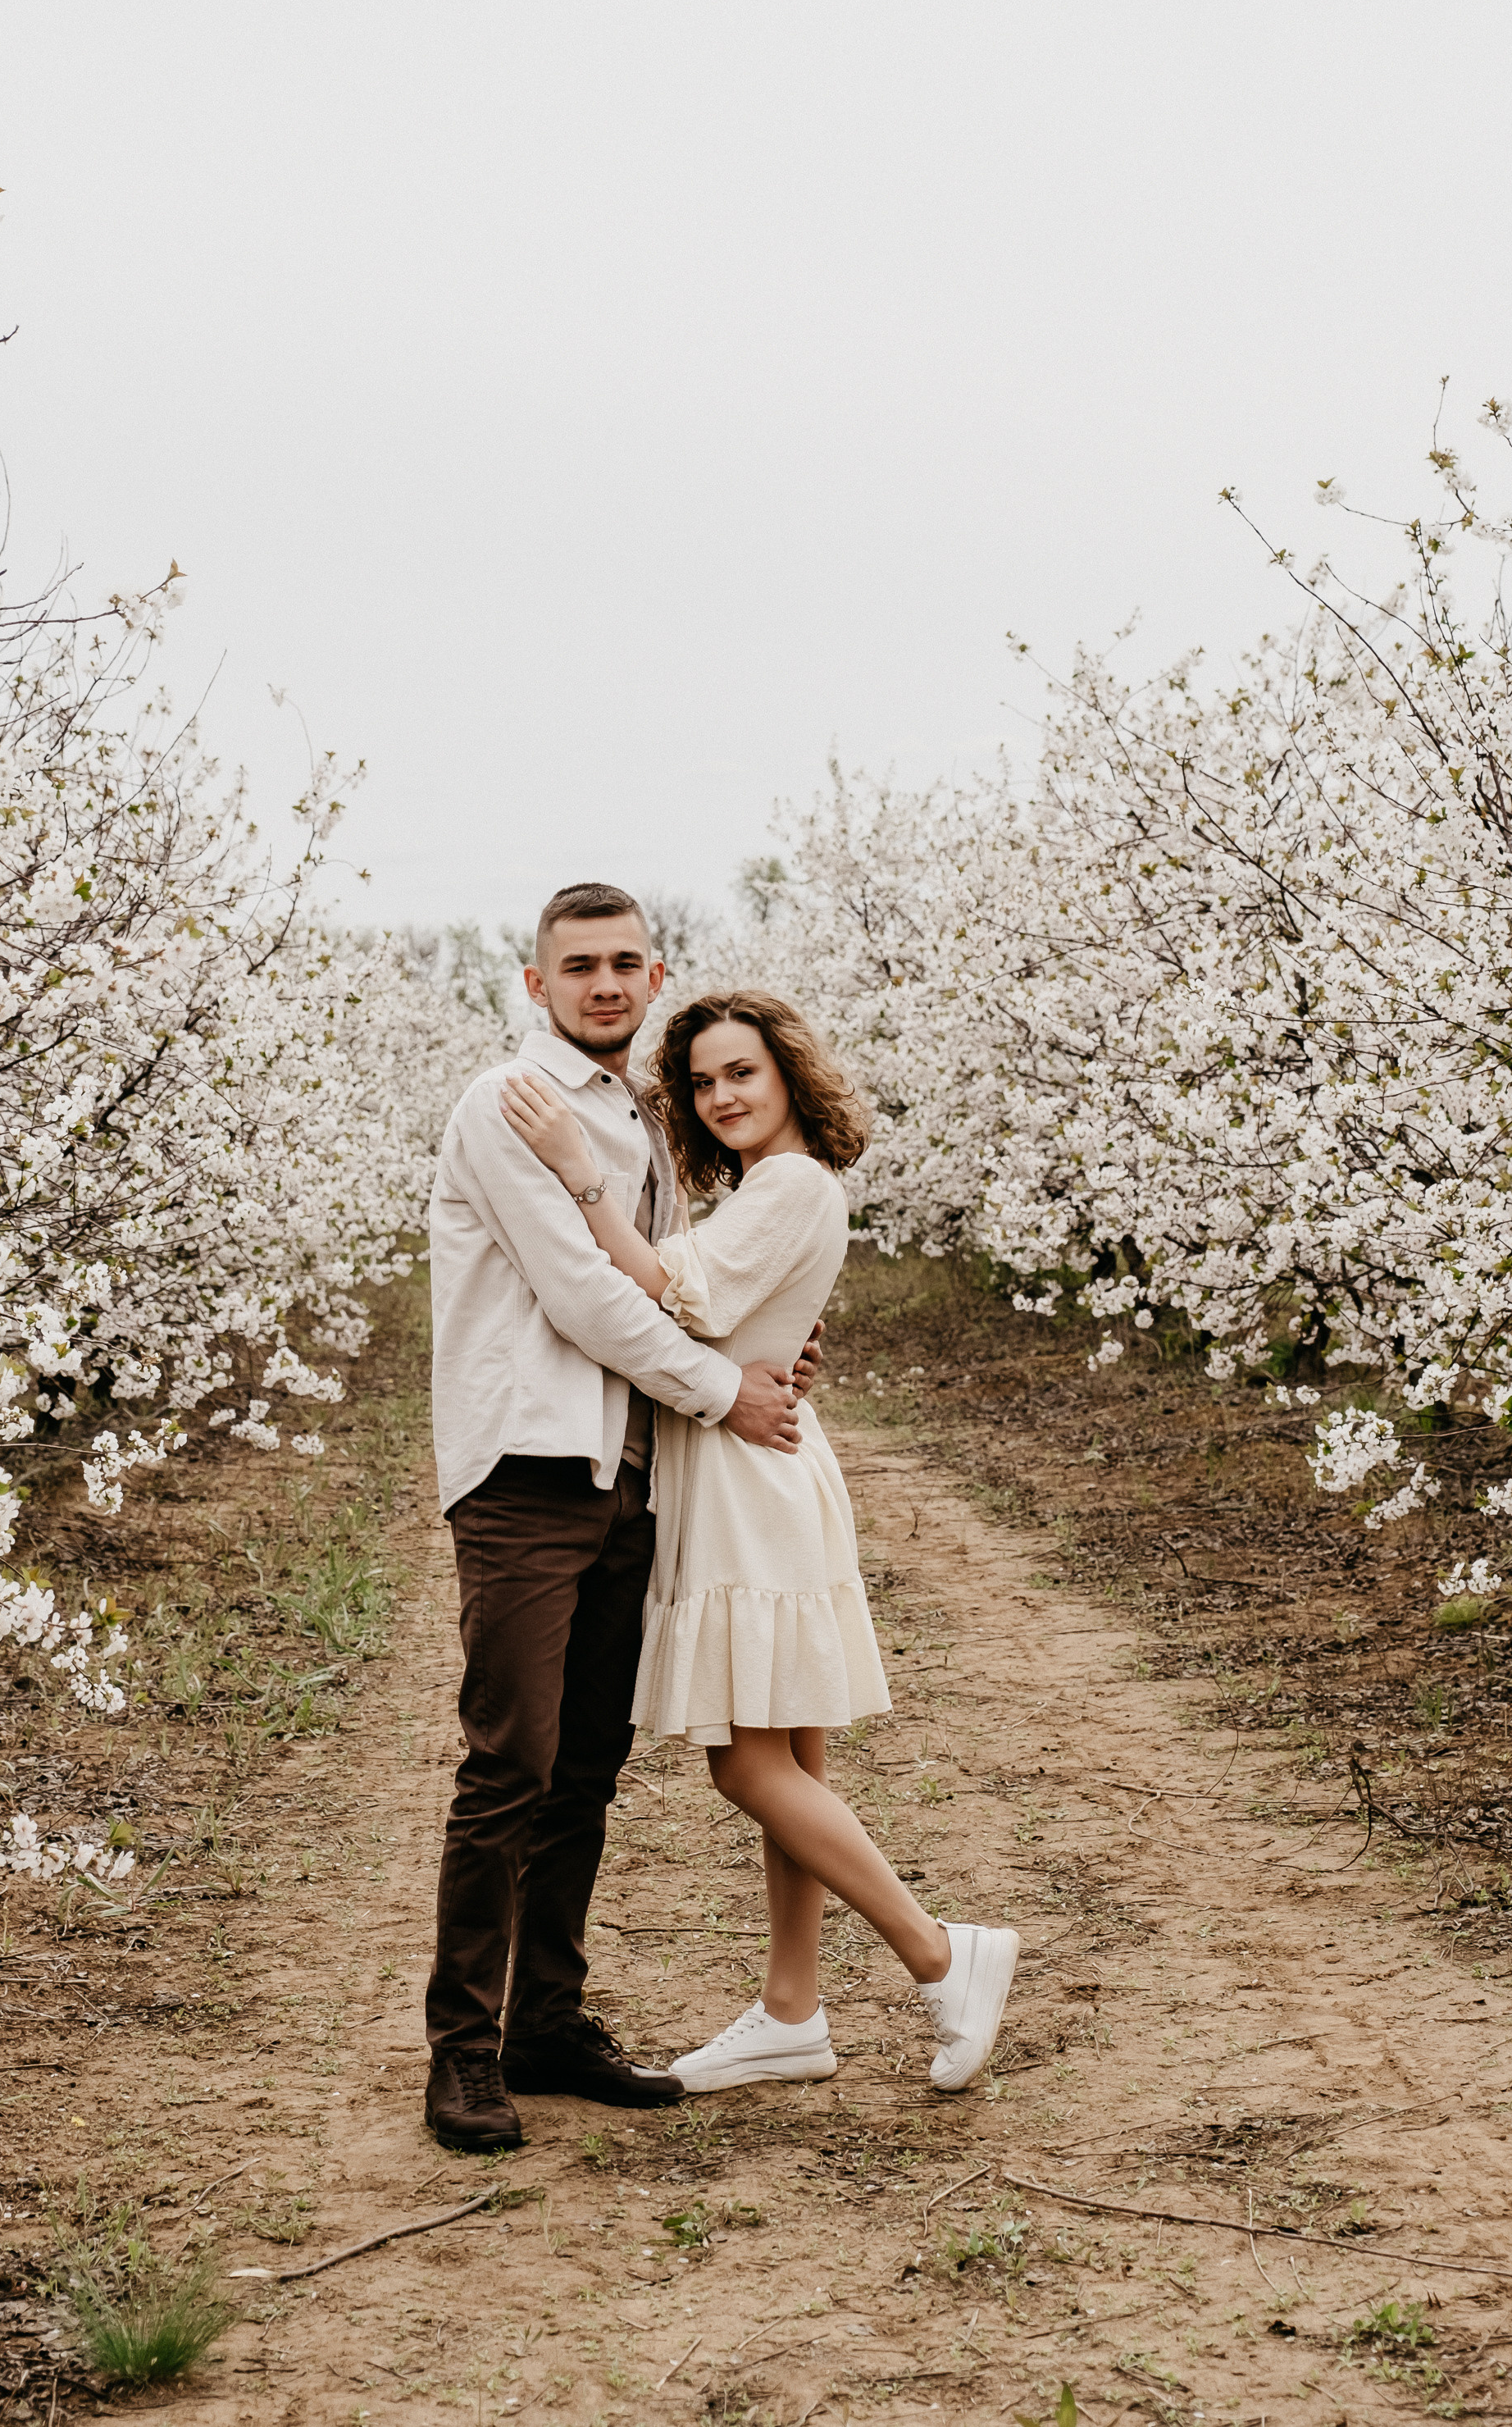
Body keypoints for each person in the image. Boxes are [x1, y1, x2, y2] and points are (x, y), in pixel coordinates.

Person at [500, 986, 1019, 2094]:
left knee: (746, 1763)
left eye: (741, 1072)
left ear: (786, 1073)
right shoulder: (768, 1188)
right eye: (700, 1082)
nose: (721, 1094)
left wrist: (576, 1174)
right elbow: (729, 1304)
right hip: (758, 1468)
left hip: (746, 1482)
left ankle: (938, 1953)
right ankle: (791, 2013)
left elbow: (678, 1297)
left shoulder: (787, 1183)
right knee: (794, 1758)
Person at [423, 884, 819, 2153]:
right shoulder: (509, 1107)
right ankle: (462, 2051)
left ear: (656, 981)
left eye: (625, 965)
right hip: (530, 1471)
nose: (604, 984)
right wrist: (728, 1395)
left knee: (584, 1771)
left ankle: (547, 2021)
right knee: (509, 1764)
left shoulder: (643, 1121)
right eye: (578, 966)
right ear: (534, 986)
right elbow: (587, 1296)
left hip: (629, 1472)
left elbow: (684, 1289)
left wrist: (760, 1361)